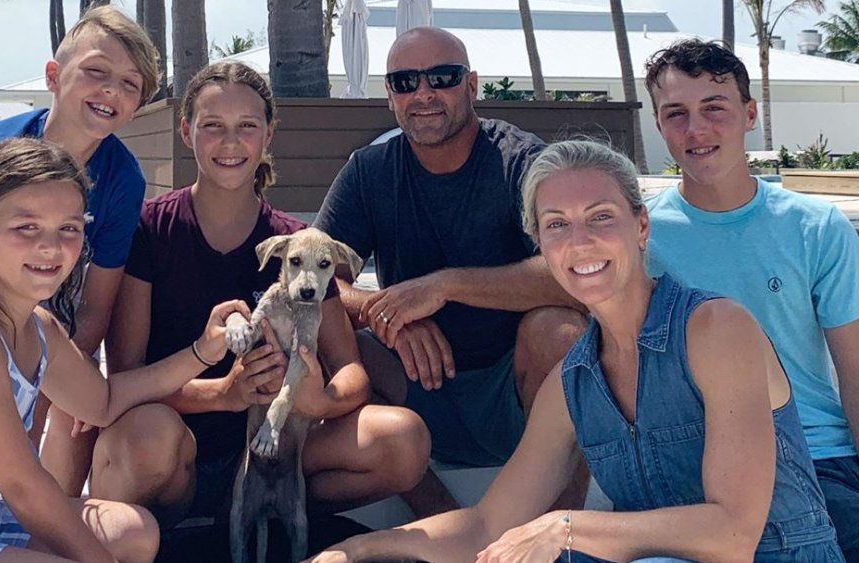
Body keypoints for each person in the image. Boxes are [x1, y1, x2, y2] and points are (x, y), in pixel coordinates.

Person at [306, 139, 845, 563]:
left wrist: (563, 527)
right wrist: (359, 549)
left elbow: (732, 535)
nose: (580, 241)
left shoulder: (715, 329)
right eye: (557, 225)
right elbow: (488, 524)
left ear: (641, 227)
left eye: (601, 216)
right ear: (538, 243)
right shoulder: (576, 379)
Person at [0, 138, 250, 562]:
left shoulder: (39, 326)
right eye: (26, 227)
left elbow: (103, 403)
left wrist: (201, 352)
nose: (50, 246)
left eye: (68, 228)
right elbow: (22, 484)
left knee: (136, 532)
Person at [73, 61, 430, 526]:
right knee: (145, 437)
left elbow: (351, 372)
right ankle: (135, 542)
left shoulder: (299, 245)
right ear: (186, 131)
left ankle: (260, 516)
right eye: (212, 126)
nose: (230, 143)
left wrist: (319, 401)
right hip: (178, 455)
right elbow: (126, 376)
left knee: (404, 441)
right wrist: (224, 393)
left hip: (277, 451)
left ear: (268, 133)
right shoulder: (150, 229)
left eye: (246, 126)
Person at [312, 26, 587, 506]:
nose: (424, 94)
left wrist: (445, 286)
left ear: (472, 85)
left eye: (442, 77)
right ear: (390, 98)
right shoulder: (369, 171)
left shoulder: (520, 162)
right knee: (344, 340)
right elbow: (316, 281)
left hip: (513, 389)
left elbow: (575, 273)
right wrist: (391, 316)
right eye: (405, 82)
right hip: (415, 385)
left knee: (560, 331)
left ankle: (561, 537)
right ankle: (443, 527)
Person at [0, 5, 161, 488]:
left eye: (130, 84)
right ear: (54, 75)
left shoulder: (124, 178)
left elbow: (95, 305)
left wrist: (51, 388)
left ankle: (53, 517)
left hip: (57, 316)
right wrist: (11, 367)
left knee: (74, 407)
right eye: (96, 71)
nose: (111, 90)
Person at [643, 39, 859, 559]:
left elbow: (854, 372)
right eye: (676, 113)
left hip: (815, 457)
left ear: (750, 114)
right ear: (658, 123)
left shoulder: (817, 227)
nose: (696, 130)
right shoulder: (637, 236)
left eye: (714, 108)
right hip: (693, 463)